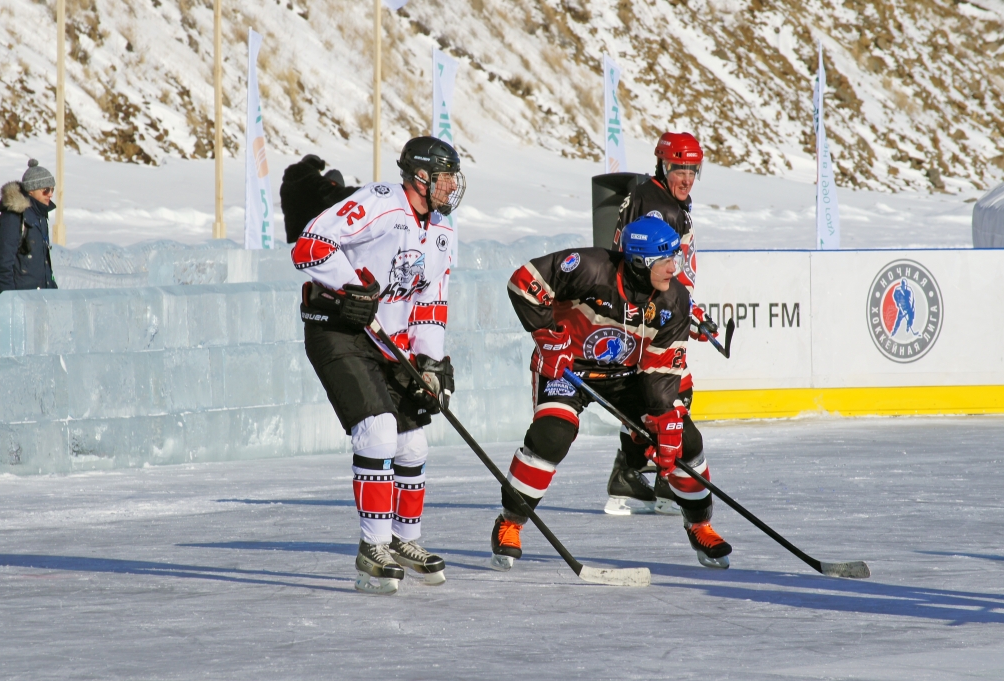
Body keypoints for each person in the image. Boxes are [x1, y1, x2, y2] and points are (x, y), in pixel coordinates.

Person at [491, 215, 732, 572]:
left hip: (627, 376)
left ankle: (700, 524)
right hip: (567, 367)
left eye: (675, 258)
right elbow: (524, 283)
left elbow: (661, 368)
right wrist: (546, 336)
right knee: (551, 436)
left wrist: (664, 417)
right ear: (639, 261)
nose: (674, 268)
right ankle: (510, 520)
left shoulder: (675, 300)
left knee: (683, 438)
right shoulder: (589, 268)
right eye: (666, 260)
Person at [291, 136, 465, 595]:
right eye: (445, 176)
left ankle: (405, 543)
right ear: (421, 177)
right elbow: (310, 246)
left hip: (390, 342)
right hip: (338, 330)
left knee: (413, 445)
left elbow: (430, 303)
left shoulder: (443, 230)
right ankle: (373, 548)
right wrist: (351, 287)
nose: (452, 185)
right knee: (378, 430)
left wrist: (429, 362)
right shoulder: (380, 202)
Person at [604, 132, 718, 516]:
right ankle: (649, 475)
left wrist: (689, 309)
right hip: (654, 312)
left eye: (692, 169)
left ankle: (638, 473)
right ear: (662, 166)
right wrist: (681, 308)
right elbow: (653, 266)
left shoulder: (658, 196)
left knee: (659, 394)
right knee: (670, 393)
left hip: (658, 308)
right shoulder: (660, 208)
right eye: (678, 168)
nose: (686, 177)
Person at [0, 159, 58, 295]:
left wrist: (54, 296)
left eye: (52, 189)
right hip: (21, 304)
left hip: (40, 301)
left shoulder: (41, 217)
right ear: (31, 190)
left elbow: (44, 267)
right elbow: (2, 269)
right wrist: (11, 305)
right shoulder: (13, 219)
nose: (50, 194)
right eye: (45, 190)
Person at [280, 154, 358, 243]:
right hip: (311, 238)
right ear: (317, 167)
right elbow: (334, 193)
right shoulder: (312, 180)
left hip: (294, 239)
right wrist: (361, 191)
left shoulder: (287, 185)